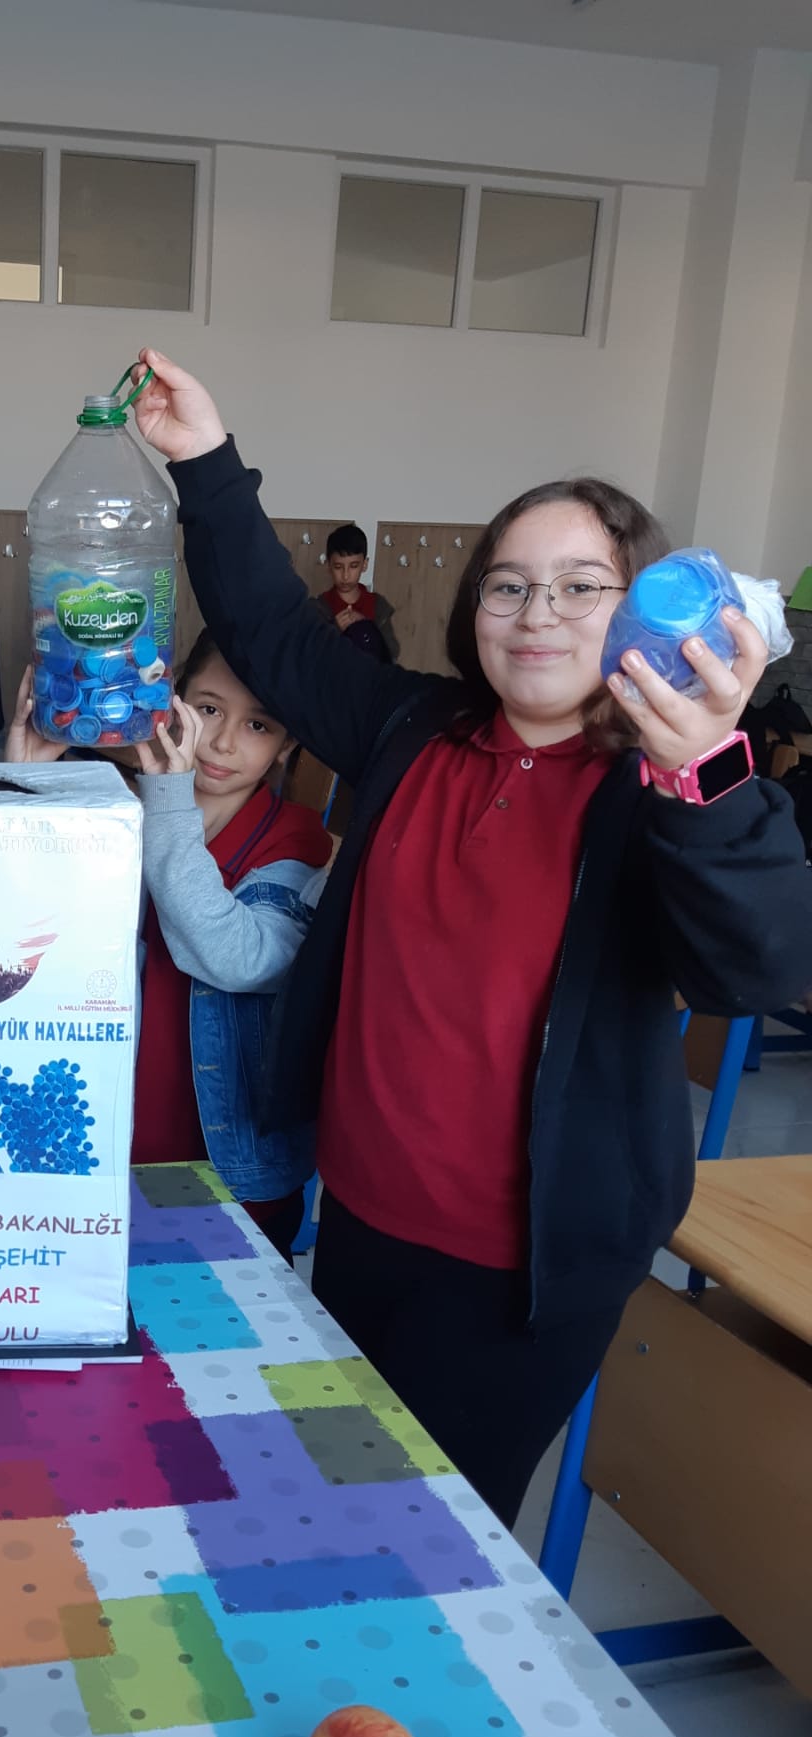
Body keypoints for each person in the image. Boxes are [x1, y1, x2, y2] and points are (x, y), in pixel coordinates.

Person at [127, 346, 812, 1525]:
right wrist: (205, 461)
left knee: (431, 1532)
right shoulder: (415, 726)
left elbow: (758, 967)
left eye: (581, 586)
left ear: (640, 609)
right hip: (361, 1217)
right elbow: (273, 628)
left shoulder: (665, 784)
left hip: (524, 1267)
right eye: (508, 584)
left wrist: (702, 769)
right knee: (332, 1494)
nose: (537, 612)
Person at [8, 631, 332, 1257]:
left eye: (259, 725)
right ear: (170, 700)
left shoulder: (295, 839)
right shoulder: (110, 811)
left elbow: (237, 956)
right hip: (98, 1148)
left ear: (288, 744)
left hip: (229, 1176)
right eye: (208, 709)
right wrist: (28, 786)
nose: (223, 741)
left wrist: (167, 802)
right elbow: (24, 930)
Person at [317, 522, 398, 662]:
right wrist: (334, 628)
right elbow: (310, 654)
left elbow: (392, 653)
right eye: (338, 567)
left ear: (364, 565)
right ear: (329, 566)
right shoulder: (319, 607)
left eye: (353, 566)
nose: (346, 575)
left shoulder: (378, 605)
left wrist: (367, 628)